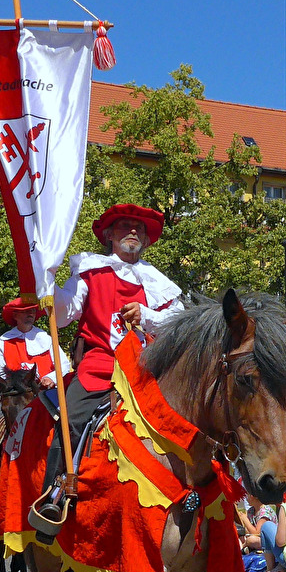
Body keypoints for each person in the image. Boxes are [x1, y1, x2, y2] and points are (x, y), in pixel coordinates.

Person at [30, 204, 184, 536]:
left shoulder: (158, 282)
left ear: (147, 240)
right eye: (125, 226)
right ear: (110, 235)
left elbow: (179, 321)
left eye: (139, 229)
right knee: (71, 417)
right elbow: (66, 312)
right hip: (100, 365)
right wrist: (48, 283)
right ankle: (54, 493)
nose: (133, 232)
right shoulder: (90, 270)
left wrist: (146, 315)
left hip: (145, 369)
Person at [0, 298, 72, 504]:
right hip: (14, 395)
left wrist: (51, 378)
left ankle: (70, 474)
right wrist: (8, 385)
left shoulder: (46, 338)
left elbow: (63, 365)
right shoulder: (4, 341)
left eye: (32, 312)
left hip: (44, 394)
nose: (30, 315)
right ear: (15, 316)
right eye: (25, 312)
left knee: (69, 424)